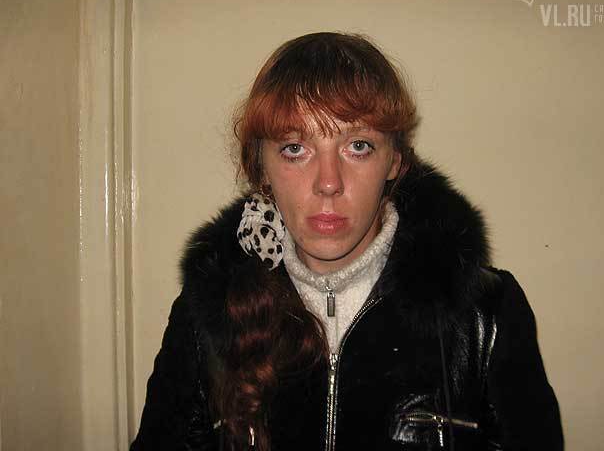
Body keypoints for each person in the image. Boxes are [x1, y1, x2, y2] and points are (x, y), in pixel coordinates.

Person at [130, 31, 563, 451]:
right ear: (260, 167)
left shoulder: (486, 316)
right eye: (295, 149)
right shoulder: (206, 315)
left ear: (395, 161)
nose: (328, 183)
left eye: (358, 146)